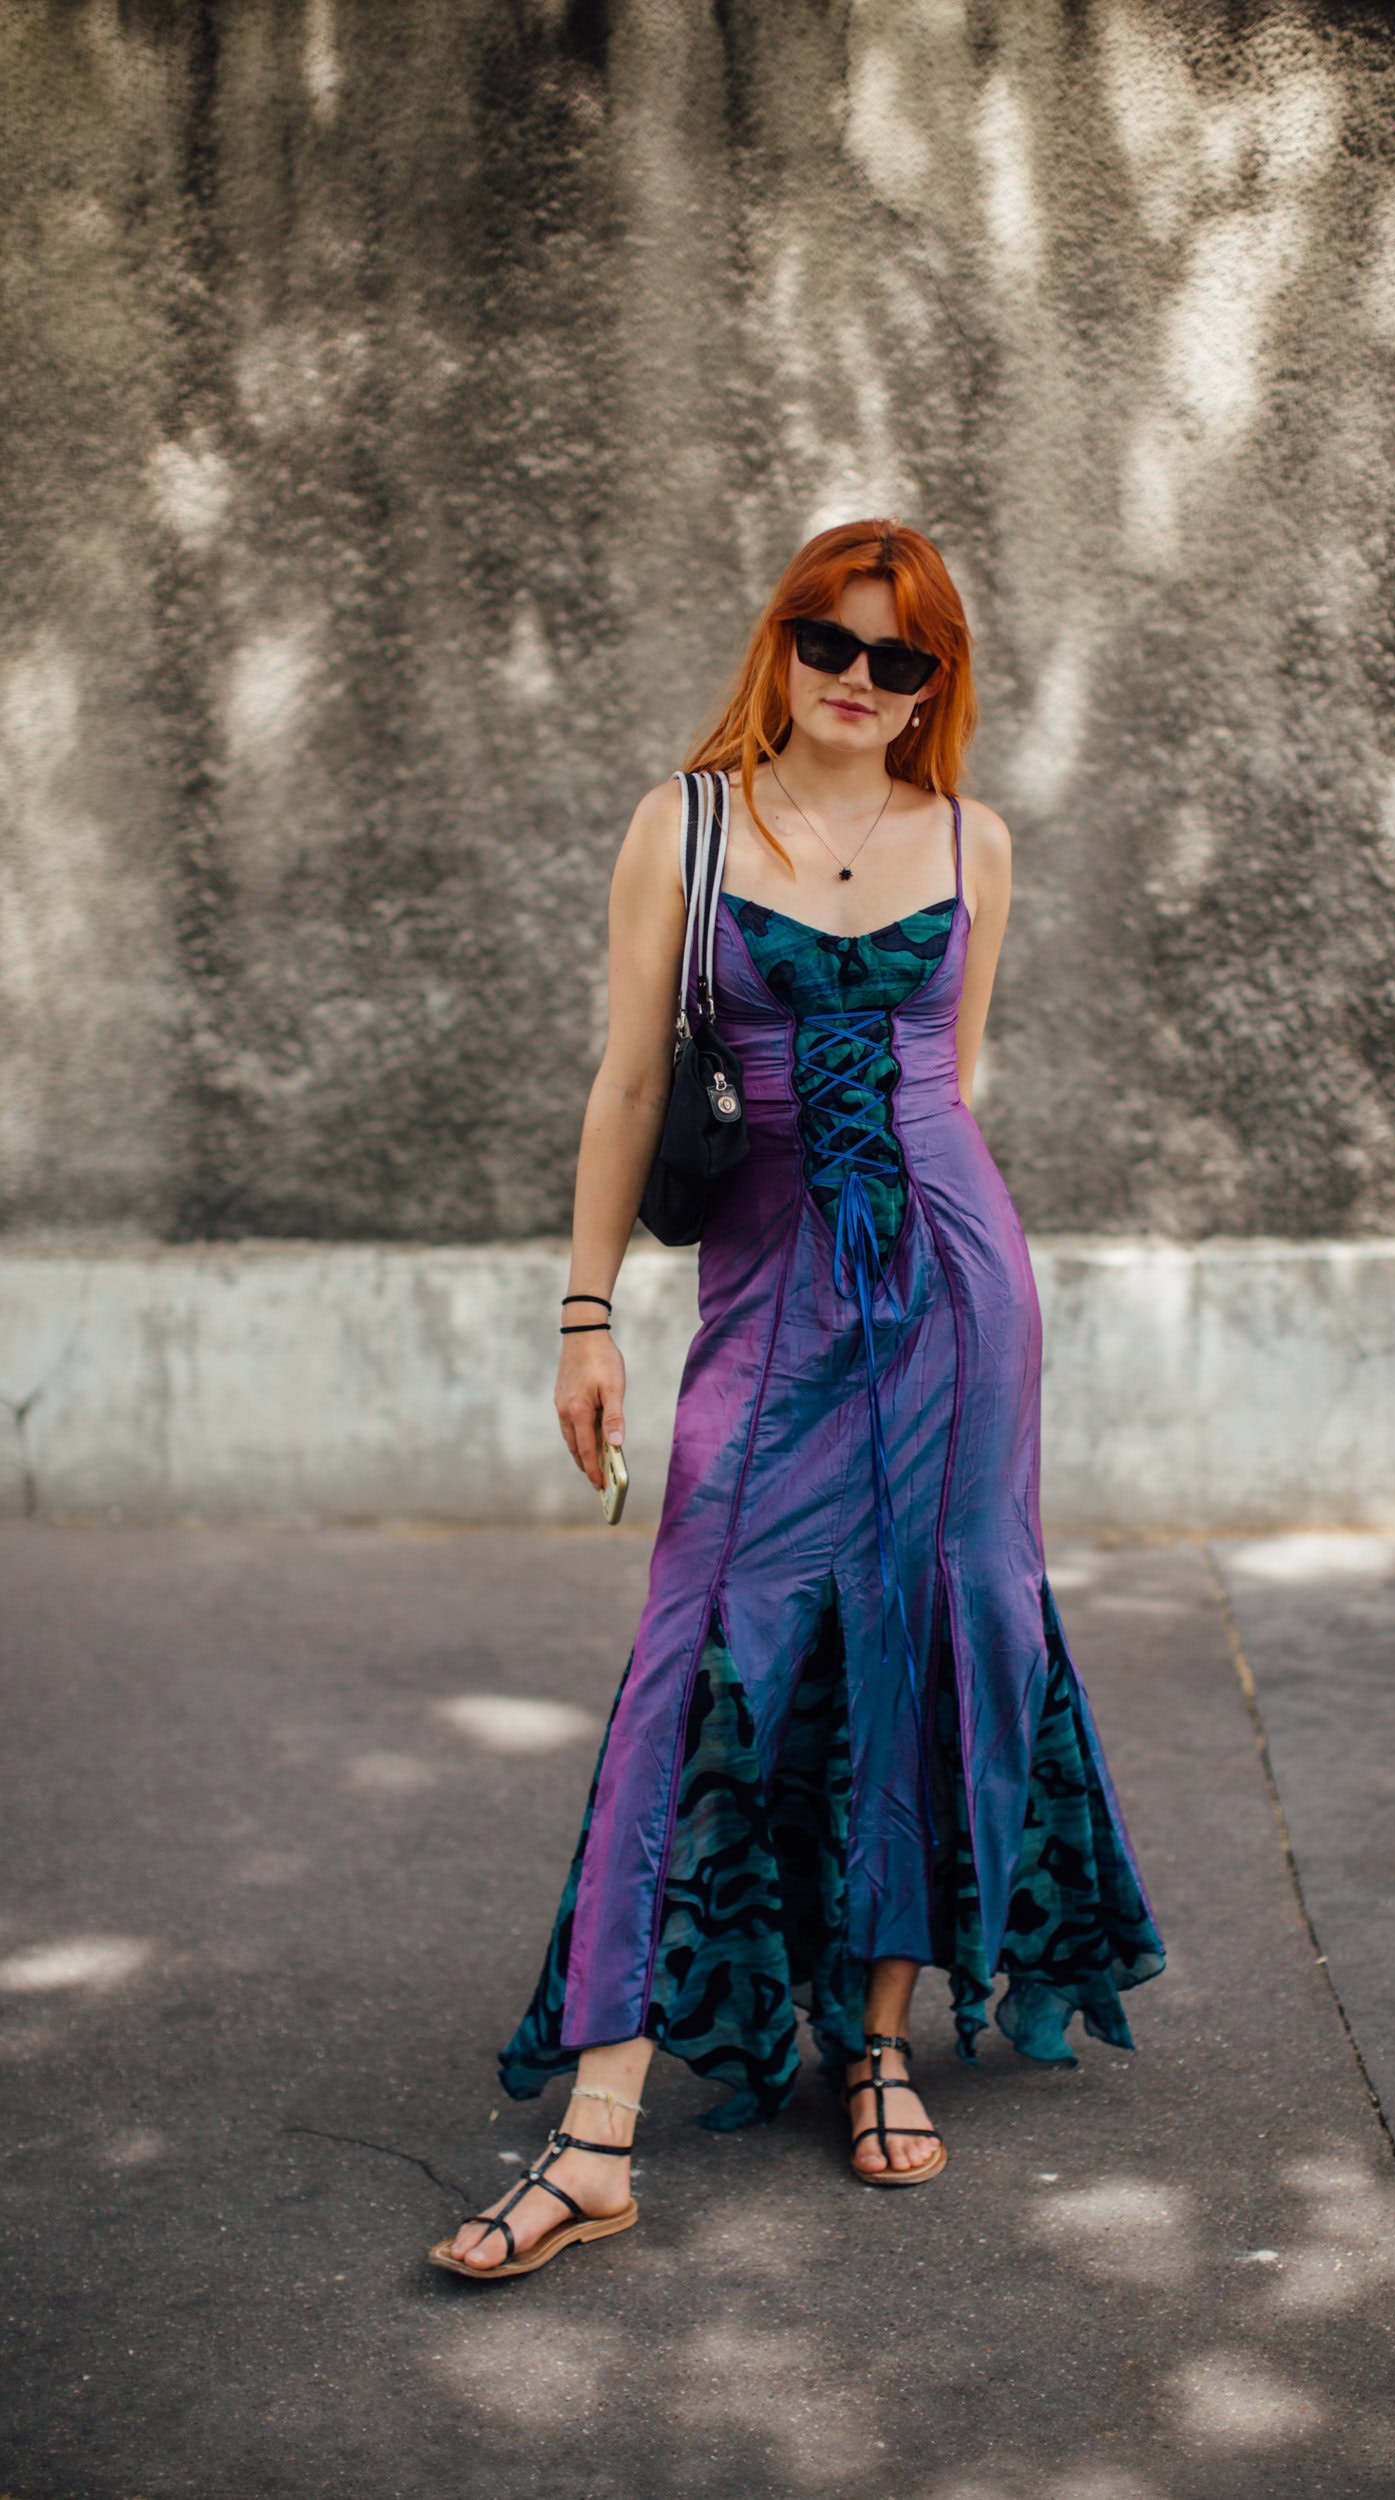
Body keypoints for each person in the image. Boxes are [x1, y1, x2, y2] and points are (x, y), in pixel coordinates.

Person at [430, 520, 1164, 2280]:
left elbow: (951, 1085)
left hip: (959, 1295)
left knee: (931, 1625)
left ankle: (879, 2039)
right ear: (782, 644)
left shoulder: (976, 841)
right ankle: (596, 2138)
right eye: (830, 641)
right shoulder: (683, 825)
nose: (857, 678)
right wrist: (586, 1316)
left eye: (897, 658)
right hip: (769, 1297)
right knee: (703, 1642)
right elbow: (629, 1086)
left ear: (933, 684)